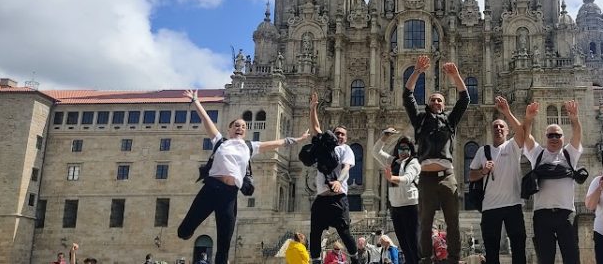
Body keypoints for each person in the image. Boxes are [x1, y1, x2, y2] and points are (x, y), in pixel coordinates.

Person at [177, 90, 309, 264]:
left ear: (245, 132)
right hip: (210, 189)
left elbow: (276, 143)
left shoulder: (249, 147)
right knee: (183, 232)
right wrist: (196, 101)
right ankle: (187, 232)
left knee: (224, 243)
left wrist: (298, 139)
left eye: (243, 127)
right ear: (230, 129)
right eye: (236, 125)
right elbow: (206, 121)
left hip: (229, 195)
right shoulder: (220, 141)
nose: (240, 128)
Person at [403, 55, 469, 264]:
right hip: (427, 178)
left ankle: (454, 258)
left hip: (447, 176)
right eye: (432, 99)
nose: (436, 102)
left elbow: (464, 99)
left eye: (439, 100)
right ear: (428, 103)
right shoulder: (420, 120)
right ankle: (425, 258)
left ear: (443, 104)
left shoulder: (450, 120)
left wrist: (455, 76)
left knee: (452, 221)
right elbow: (407, 96)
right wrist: (416, 72)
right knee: (425, 221)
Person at [468, 96, 532, 264]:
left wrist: (507, 112)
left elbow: (522, 132)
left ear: (507, 131)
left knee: (518, 247)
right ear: (491, 130)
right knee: (491, 249)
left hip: (513, 205)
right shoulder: (483, 151)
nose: (498, 129)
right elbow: (471, 176)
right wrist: (483, 171)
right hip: (490, 207)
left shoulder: (512, 147)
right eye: (495, 126)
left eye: (501, 126)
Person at [522, 100, 583, 264]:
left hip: (566, 214)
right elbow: (526, 136)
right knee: (545, 259)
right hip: (542, 214)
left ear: (563, 138)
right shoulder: (538, 154)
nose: (554, 138)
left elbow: (577, 134)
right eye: (551, 135)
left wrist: (574, 119)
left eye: (558, 135)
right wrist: (528, 119)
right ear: (545, 137)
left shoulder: (570, 154)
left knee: (572, 258)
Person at [308, 91, 361, 264]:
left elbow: (346, 167)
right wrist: (313, 108)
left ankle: (354, 258)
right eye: (337, 133)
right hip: (322, 197)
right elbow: (316, 129)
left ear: (346, 138)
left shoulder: (347, 149)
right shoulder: (325, 146)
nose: (339, 136)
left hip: (338, 197)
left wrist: (340, 181)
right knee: (315, 232)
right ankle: (315, 260)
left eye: (342, 135)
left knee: (344, 232)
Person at [373, 129, 421, 264]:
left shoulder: (414, 163)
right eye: (401, 148)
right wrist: (384, 137)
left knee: (413, 244)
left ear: (411, 150)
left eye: (406, 148)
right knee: (404, 245)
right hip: (396, 208)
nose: (403, 151)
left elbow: (407, 178)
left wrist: (392, 177)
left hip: (411, 206)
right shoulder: (392, 161)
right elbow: (375, 152)